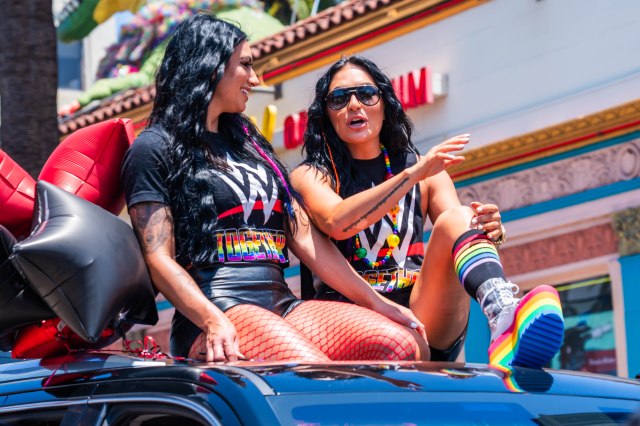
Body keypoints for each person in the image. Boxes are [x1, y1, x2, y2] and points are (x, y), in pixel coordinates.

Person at [122, 15, 430, 363]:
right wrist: (210, 319)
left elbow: (305, 238)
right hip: (217, 310)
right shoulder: (153, 147)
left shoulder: (250, 143)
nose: (255, 79)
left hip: (282, 305)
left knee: (402, 344)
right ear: (211, 66)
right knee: (312, 372)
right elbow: (158, 258)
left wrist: (377, 302)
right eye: (246, 65)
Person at [290, 55, 564, 368]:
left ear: (385, 103)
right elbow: (337, 222)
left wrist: (491, 230)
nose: (354, 105)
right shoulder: (311, 176)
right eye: (339, 98)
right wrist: (411, 175)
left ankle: (503, 315)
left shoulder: (426, 172)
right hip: (348, 325)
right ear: (326, 114)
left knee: (460, 217)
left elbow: (459, 233)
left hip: (424, 318)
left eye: (366, 94)